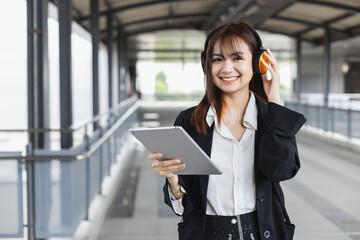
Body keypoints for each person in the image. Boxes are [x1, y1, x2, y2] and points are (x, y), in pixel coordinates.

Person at [148, 21, 306, 240]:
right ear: (207, 65)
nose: (226, 68)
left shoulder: (270, 118)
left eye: (237, 58)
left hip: (263, 233)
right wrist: (173, 181)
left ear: (259, 62)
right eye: (218, 59)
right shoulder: (190, 121)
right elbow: (185, 204)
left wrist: (275, 101)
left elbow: (282, 171)